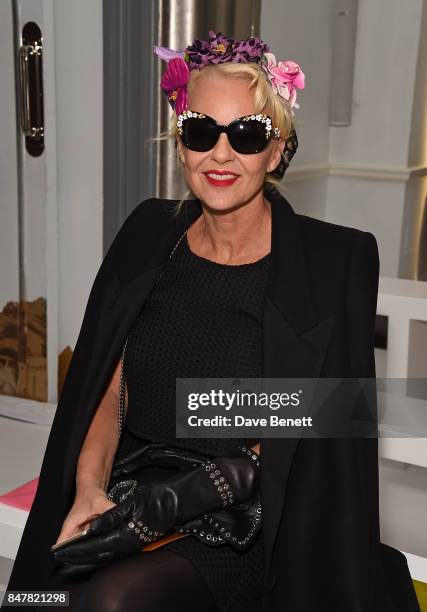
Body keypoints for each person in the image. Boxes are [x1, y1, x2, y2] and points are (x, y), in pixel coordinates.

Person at [3, 31, 420, 612]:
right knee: (40, 600)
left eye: (247, 135)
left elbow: (328, 413)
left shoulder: (331, 260)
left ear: (276, 153)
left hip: (243, 508)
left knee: (111, 601)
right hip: (134, 484)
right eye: (201, 131)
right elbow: (107, 386)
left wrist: (187, 494)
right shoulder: (148, 234)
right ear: (181, 146)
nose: (221, 154)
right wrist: (90, 490)